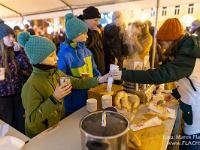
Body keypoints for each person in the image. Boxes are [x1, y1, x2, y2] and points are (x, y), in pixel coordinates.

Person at [110, 18, 200, 150]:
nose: (161, 47)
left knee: (190, 143)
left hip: (196, 113)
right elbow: (189, 78)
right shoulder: (187, 50)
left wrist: (124, 74)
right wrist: (176, 93)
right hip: (191, 104)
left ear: (171, 40)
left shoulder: (188, 55)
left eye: (162, 43)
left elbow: (160, 75)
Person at [17, 32, 110, 138]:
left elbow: (76, 82)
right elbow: (32, 119)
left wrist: (100, 79)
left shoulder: (55, 73)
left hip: (55, 127)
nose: (56, 58)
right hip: (40, 135)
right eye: (52, 56)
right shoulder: (31, 86)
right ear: (40, 60)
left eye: (55, 54)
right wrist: (55, 98)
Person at [57, 13, 101, 115]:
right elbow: (62, 81)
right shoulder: (63, 56)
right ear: (75, 35)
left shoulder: (87, 52)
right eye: (84, 33)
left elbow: (94, 70)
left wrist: (101, 81)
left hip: (90, 98)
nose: (87, 36)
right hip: (73, 106)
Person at [0, 19, 32, 133]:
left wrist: (19, 54)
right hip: (3, 99)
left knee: (21, 126)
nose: (12, 39)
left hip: (19, 95)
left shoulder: (16, 51)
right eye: (8, 36)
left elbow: (29, 68)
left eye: (13, 36)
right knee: (7, 128)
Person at [78, 6, 105, 75]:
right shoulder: (79, 32)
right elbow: (86, 43)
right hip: (89, 75)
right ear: (86, 19)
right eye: (95, 20)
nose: (97, 23)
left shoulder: (92, 31)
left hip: (98, 74)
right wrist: (95, 33)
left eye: (98, 20)